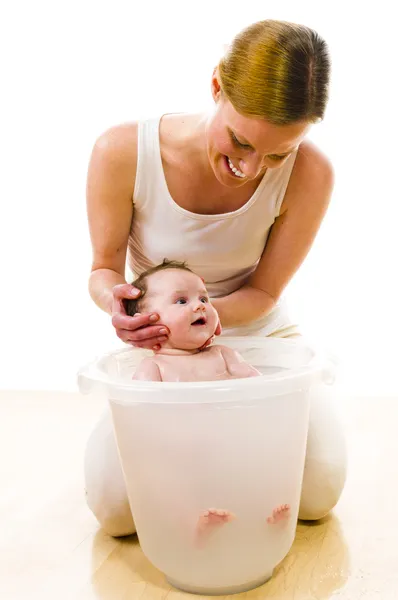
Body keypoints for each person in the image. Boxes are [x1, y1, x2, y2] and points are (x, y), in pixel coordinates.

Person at [84, 19, 347, 537]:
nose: (250, 168)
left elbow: (264, 292)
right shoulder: (122, 152)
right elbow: (103, 269)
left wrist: (202, 318)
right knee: (116, 512)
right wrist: (124, 308)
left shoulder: (312, 174)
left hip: (255, 332)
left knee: (317, 493)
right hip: (164, 346)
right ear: (215, 87)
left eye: (277, 154)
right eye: (240, 141)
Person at [126, 259, 261, 381]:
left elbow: (259, 385)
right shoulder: (153, 367)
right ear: (145, 323)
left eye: (203, 299)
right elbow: (141, 405)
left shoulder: (223, 354)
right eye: (181, 301)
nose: (200, 305)